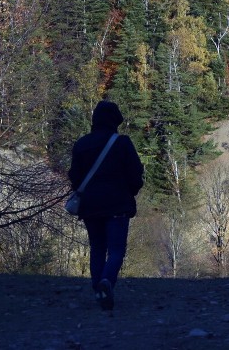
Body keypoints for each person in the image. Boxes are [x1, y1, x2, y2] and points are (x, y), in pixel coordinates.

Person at [68, 100, 144, 311]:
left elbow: (74, 176)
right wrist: (132, 191)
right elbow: (135, 173)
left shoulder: (82, 144)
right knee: (117, 249)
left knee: (97, 247)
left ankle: (98, 288)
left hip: (91, 205)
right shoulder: (122, 143)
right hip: (118, 204)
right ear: (115, 121)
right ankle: (107, 281)